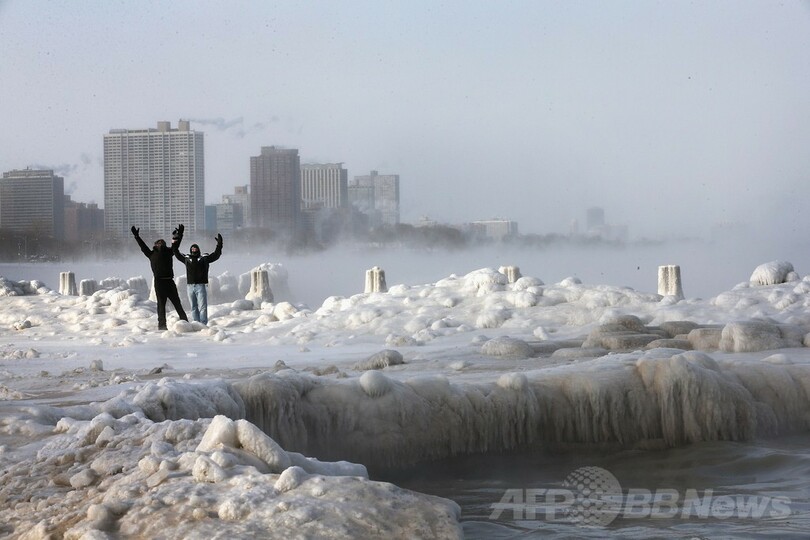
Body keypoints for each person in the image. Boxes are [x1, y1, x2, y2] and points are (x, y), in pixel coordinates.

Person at [131, 224, 188, 330]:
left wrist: (180, 234)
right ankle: (162, 326)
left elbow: (176, 245)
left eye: (162, 242)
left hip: (169, 281)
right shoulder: (151, 254)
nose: (161, 244)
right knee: (161, 305)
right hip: (159, 282)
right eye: (158, 243)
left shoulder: (170, 252)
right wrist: (137, 237)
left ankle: (185, 322)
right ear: (155, 245)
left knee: (177, 303)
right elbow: (142, 246)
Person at [173, 227, 223, 325]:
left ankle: (203, 323)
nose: (194, 249)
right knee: (193, 307)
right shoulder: (187, 258)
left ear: (198, 249)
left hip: (201, 286)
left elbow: (216, 255)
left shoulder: (204, 258)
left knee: (203, 306)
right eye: (192, 248)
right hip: (190, 286)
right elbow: (176, 252)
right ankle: (196, 323)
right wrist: (176, 238)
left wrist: (219, 244)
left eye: (195, 248)